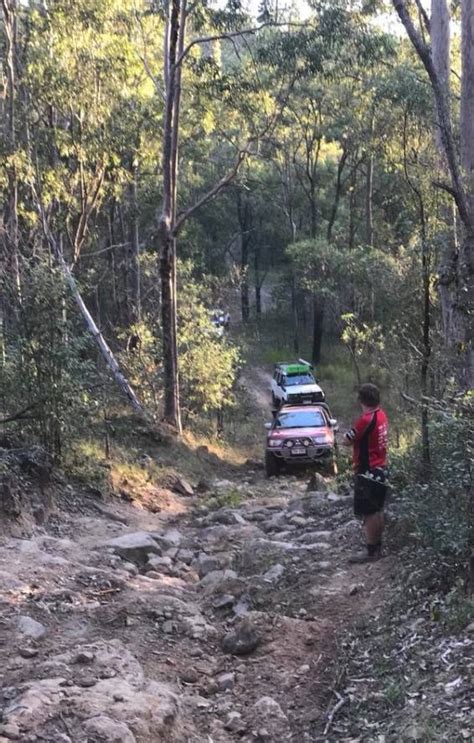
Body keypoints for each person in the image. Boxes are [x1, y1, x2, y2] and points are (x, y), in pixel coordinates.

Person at [344, 383, 389, 563]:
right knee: (377, 509)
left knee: (369, 512)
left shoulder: (366, 419)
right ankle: (377, 547)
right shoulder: (382, 415)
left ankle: (371, 551)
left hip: (367, 471)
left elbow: (348, 440)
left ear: (361, 400)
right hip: (382, 467)